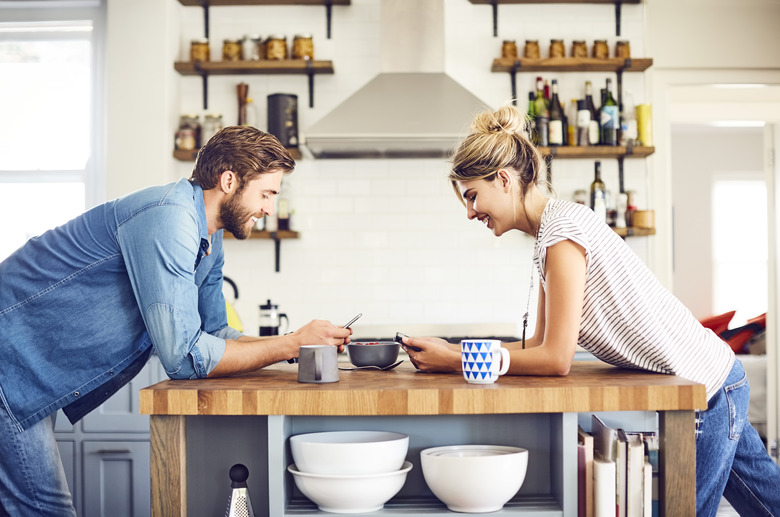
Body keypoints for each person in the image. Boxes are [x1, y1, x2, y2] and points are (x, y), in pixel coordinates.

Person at [400, 104, 780, 516]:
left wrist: (455, 358)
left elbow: (555, 359)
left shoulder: (562, 231)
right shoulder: (552, 232)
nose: (470, 212)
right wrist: (450, 353)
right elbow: (537, 344)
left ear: (504, 180)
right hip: (717, 380)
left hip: (708, 388)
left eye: (472, 196)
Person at [0, 126, 351, 516]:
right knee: (45, 510)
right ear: (230, 180)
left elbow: (217, 333)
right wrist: (290, 344)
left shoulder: (209, 236)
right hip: (9, 362)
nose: (269, 208)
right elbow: (185, 357)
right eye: (267, 193)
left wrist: (297, 341)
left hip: (27, 373)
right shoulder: (170, 218)